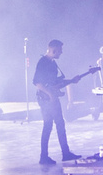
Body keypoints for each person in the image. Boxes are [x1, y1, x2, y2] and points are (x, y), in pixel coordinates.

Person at [33, 39, 79, 167]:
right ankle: (45, 156)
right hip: (46, 99)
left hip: (51, 98)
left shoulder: (53, 64)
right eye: (60, 50)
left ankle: (64, 153)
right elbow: (37, 83)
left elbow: (55, 83)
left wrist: (71, 81)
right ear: (53, 50)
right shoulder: (43, 62)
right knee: (49, 125)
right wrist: (50, 94)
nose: (61, 52)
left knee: (58, 124)